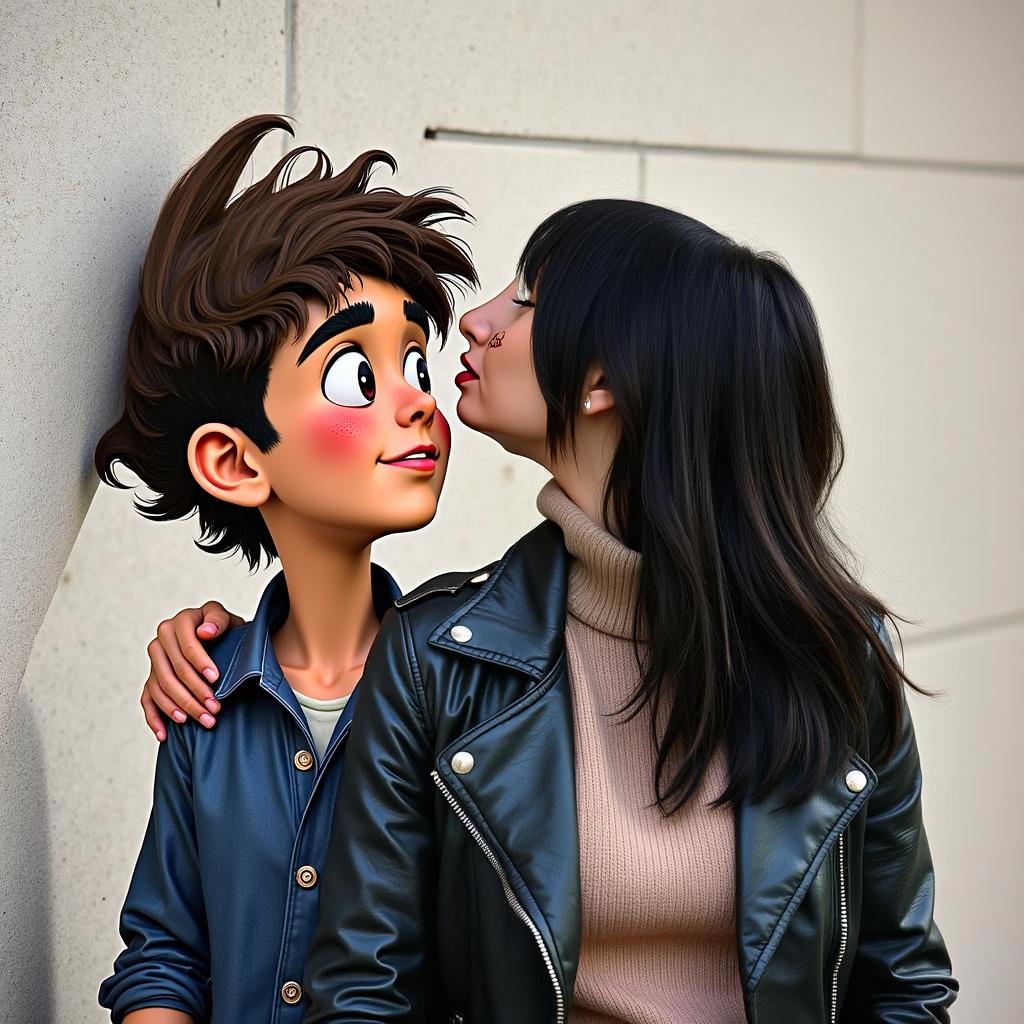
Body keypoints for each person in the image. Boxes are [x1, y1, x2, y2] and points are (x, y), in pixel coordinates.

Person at [145, 200, 956, 1023]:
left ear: (601, 378)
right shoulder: (435, 660)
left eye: (525, 298)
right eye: (360, 376)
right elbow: (359, 988)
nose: (478, 321)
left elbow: (904, 988)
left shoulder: (840, 661)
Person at [94, 113, 475, 1024]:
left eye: (415, 360)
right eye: (358, 377)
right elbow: (164, 953)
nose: (418, 402)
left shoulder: (470, 689)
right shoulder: (205, 697)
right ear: (234, 461)